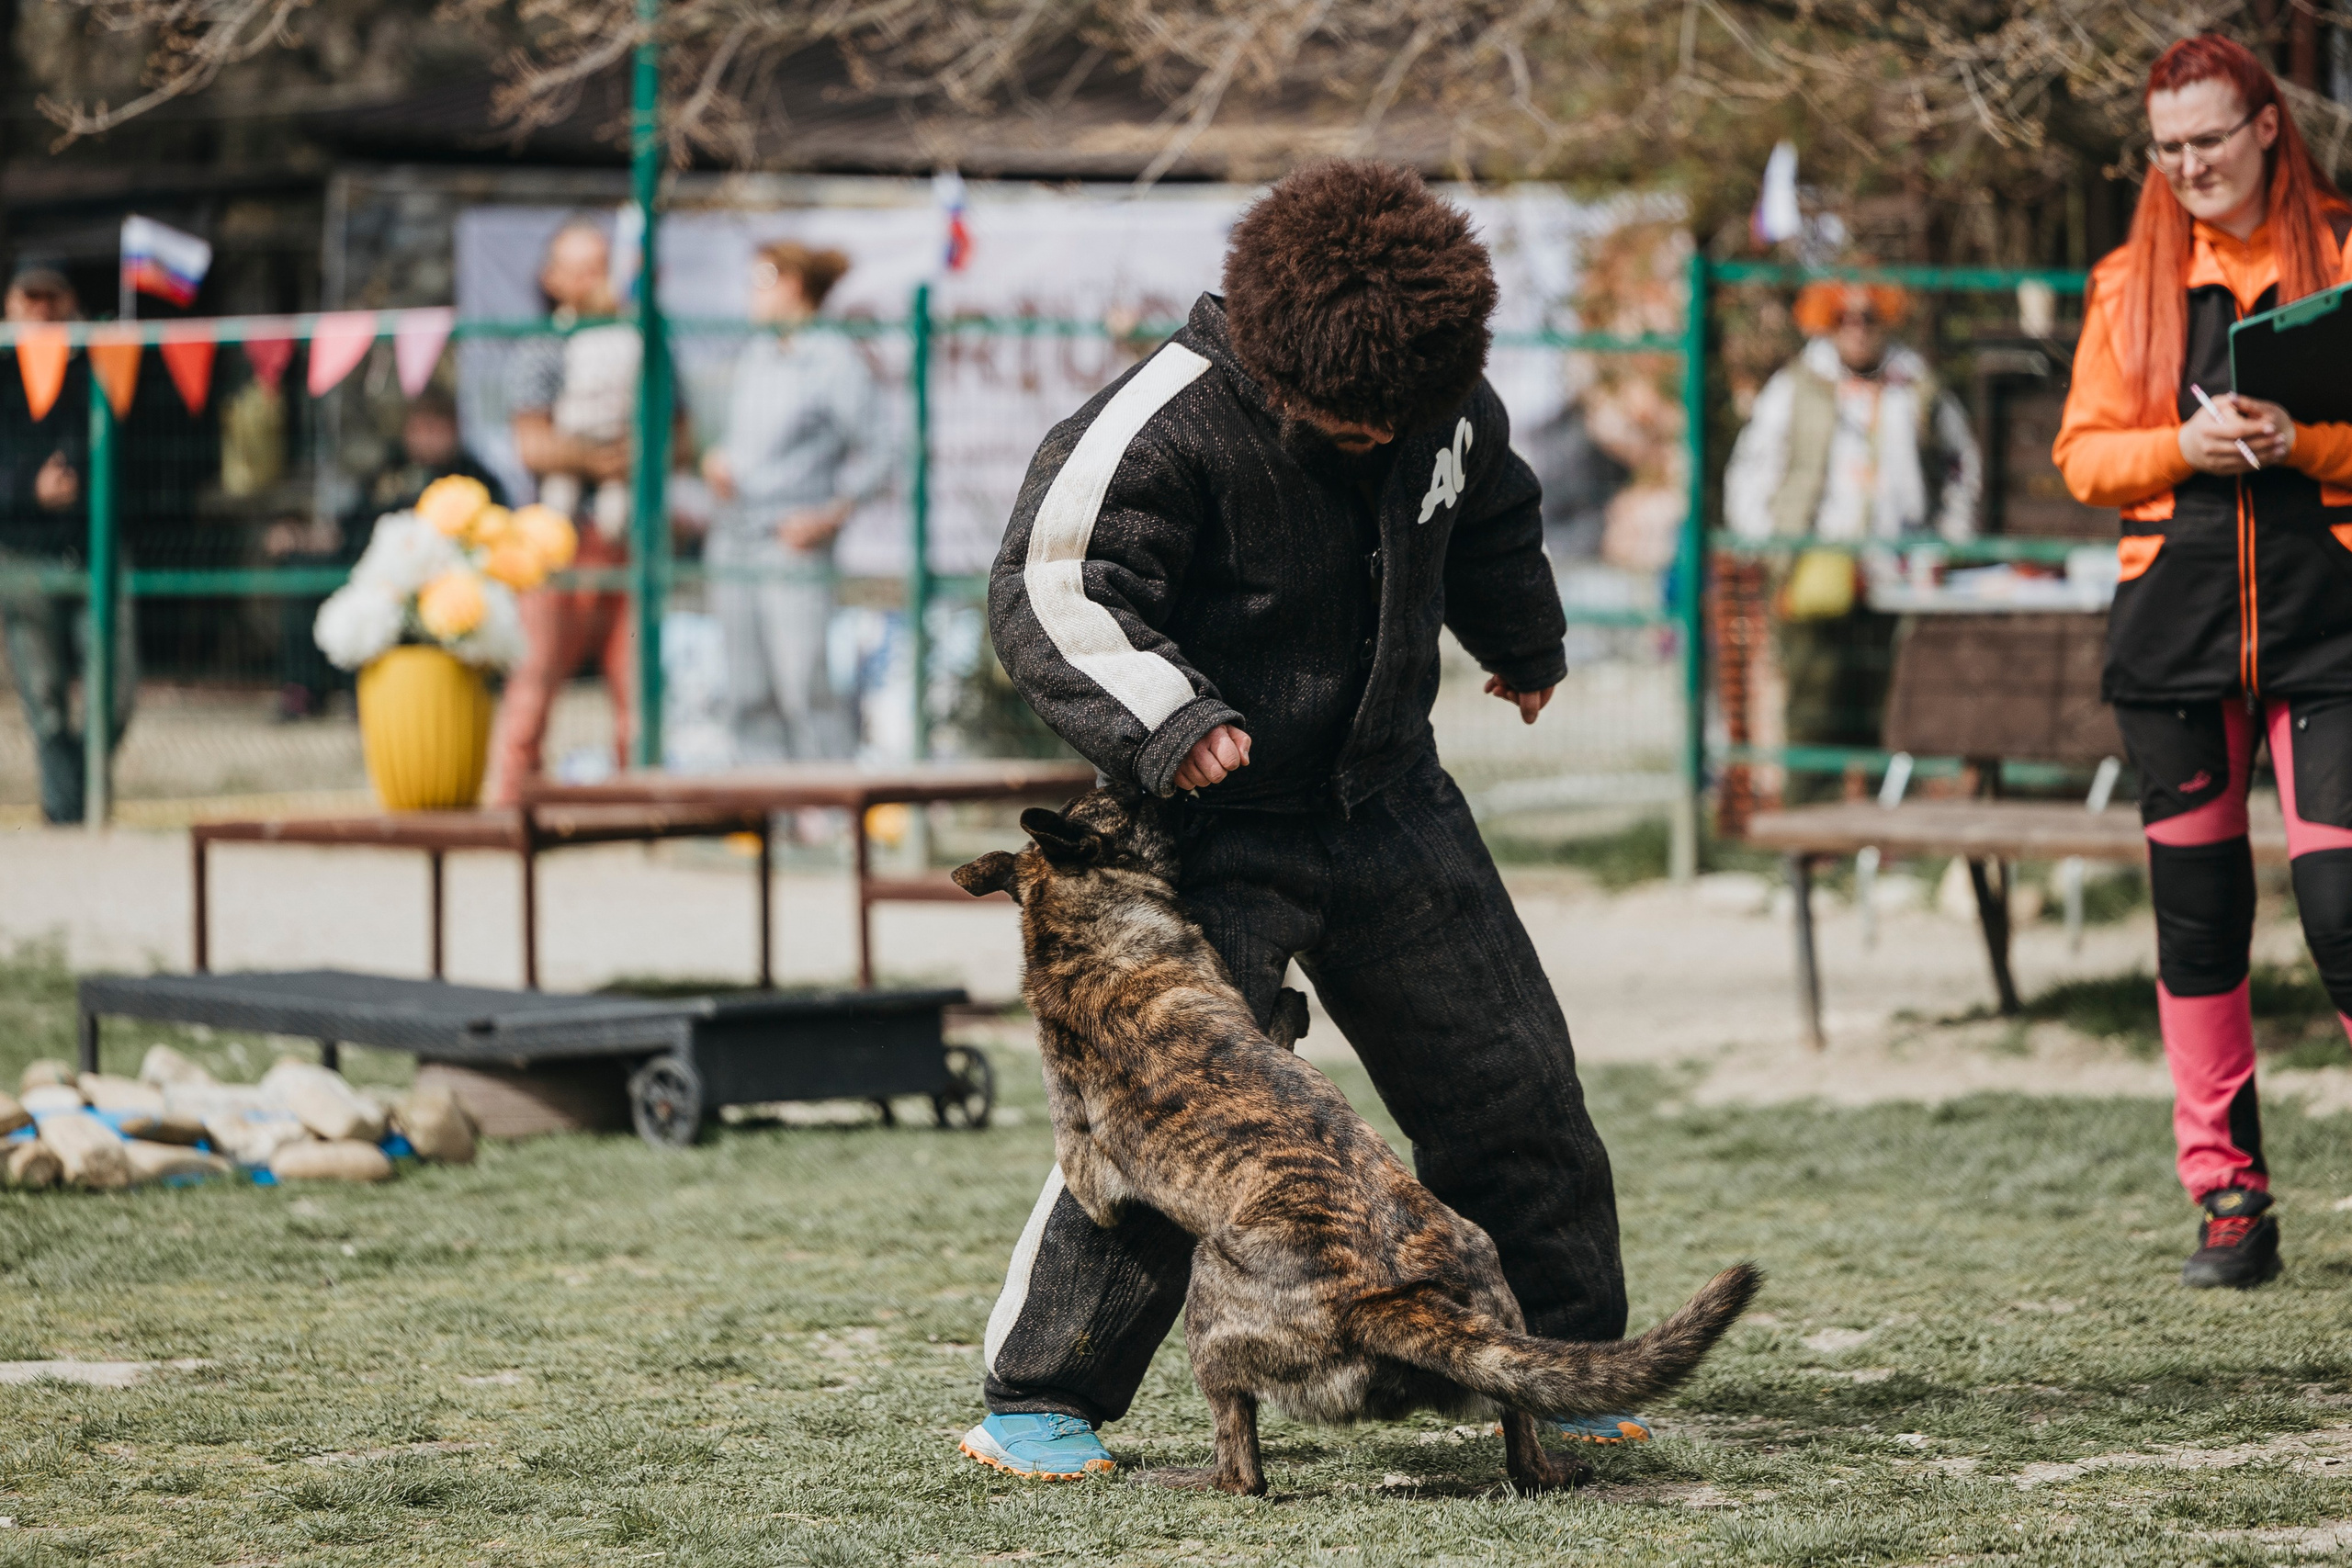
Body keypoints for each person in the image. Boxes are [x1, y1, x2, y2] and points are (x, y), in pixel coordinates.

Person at [961, 161, 1639, 1481]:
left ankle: (1557, 1363)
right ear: (1276, 365)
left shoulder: (1444, 400)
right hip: (1204, 823)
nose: (1380, 438)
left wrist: (1522, 639)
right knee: (1175, 1118)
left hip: (1393, 799)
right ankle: (1041, 1397)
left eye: (1401, 419)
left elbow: (1491, 515)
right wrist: (1169, 716)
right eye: (1349, 421)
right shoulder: (1161, 422)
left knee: (1512, 1080)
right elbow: (1051, 586)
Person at [2054, 34, 2352, 1291]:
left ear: (2267, 126)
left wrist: (2305, 440)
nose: (2187, 166)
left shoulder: (2342, 255)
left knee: (2343, 911)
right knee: (2199, 926)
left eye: (2208, 139)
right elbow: (2084, 457)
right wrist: (2182, 448)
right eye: (2166, 147)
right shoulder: (2129, 280)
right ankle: (2230, 1200)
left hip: (2331, 632)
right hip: (2172, 642)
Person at [1724, 279, 1982, 803]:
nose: (1858, 328)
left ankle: (1880, 827)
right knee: (1813, 703)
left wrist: (1949, 541)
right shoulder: (1797, 386)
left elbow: (1960, 465)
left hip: (1897, 569)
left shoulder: (1917, 385)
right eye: (1844, 317)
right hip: (1814, 568)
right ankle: (1809, 826)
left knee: (1889, 707)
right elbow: (1753, 466)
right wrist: (1768, 544)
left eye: (1869, 316)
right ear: (1827, 321)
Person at [701, 243, 883, 761]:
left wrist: (828, 516)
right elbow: (741, 443)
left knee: (805, 687)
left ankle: (831, 803)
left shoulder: (834, 360)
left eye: (762, 278)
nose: (750, 292)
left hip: (791, 544)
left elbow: (884, 452)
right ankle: (765, 804)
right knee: (746, 691)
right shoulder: (755, 354)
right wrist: (718, 460)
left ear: (795, 285)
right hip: (734, 536)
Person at [488, 218, 645, 802]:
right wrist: (602, 460)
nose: (593, 281)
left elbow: (678, 439)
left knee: (636, 683)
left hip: (628, 537)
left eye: (600, 267)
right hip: (554, 540)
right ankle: (515, 799)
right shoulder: (542, 346)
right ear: (552, 280)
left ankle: (642, 801)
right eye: (579, 270)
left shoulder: (644, 342)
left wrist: (627, 457)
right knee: (535, 675)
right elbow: (533, 444)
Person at [267, 390, 505, 719]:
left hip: (430, 577)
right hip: (361, 564)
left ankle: (369, 694)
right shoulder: (390, 468)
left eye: (435, 428)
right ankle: (305, 689)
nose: (426, 437)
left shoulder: (474, 478)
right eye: (419, 427)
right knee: (302, 574)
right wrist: (301, 537)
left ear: (455, 429)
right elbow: (348, 525)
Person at [0, 262, 133, 824]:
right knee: (46, 696)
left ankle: (82, 793)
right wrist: (29, 488)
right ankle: (67, 817)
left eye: (52, 298)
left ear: (72, 303)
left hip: (95, 550)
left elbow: (136, 451)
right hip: (22, 552)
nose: (42, 309)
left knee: (117, 693)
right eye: (30, 298)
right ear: (9, 306)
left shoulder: (101, 366)